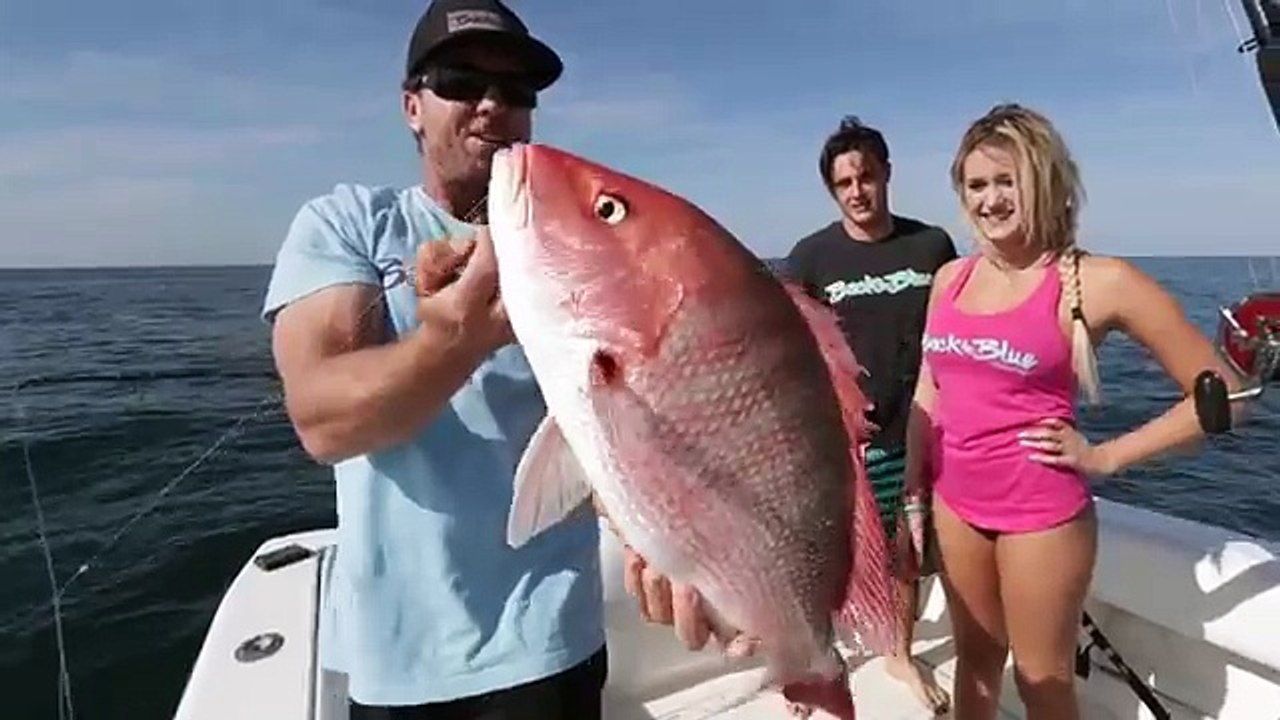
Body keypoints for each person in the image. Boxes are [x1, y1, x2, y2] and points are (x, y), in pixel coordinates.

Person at [260, 2, 629, 717]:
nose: (494, 104)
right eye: (461, 81)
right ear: (412, 107)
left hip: (552, 634)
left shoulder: (578, 237)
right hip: (396, 654)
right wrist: (456, 336)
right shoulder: (349, 223)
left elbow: (626, 406)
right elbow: (324, 421)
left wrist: (661, 540)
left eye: (518, 91)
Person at [909, 103, 1245, 719]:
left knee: (1043, 680)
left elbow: (1225, 394)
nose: (989, 200)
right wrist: (913, 486)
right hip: (954, 502)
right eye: (976, 185)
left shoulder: (1097, 281)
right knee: (975, 665)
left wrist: (1107, 455)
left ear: (1045, 180)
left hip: (1040, 515)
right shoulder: (950, 278)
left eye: (1005, 181)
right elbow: (930, 386)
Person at [785, 115, 956, 715]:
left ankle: (899, 654)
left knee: (907, 553)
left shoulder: (931, 246)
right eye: (843, 183)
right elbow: (786, 349)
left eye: (866, 177)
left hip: (917, 434)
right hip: (841, 445)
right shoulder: (810, 257)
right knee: (831, 559)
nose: (857, 191)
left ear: (887, 176)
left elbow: (955, 336)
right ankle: (817, 665)